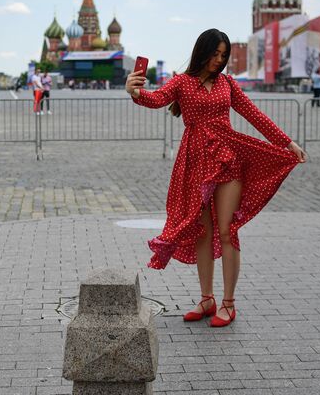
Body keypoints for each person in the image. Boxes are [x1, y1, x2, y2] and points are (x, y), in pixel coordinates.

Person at [126, 28, 306, 327]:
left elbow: (254, 115)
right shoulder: (182, 82)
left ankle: (229, 303)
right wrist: (134, 91)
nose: (219, 60)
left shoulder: (227, 83)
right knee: (203, 232)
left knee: (226, 231)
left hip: (227, 160)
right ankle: (207, 299)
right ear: (203, 51)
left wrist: (287, 143)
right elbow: (156, 99)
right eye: (215, 54)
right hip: (195, 162)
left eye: (223, 56)